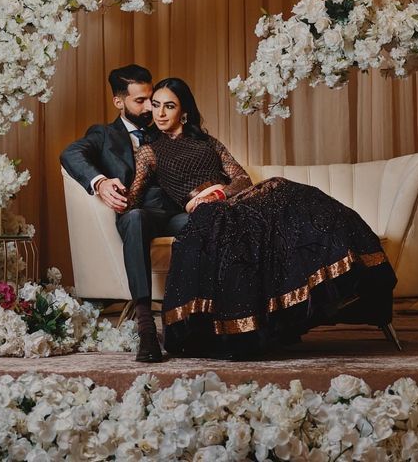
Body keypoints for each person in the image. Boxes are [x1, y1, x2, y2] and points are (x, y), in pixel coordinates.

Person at [121, 77, 397, 359]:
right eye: (156, 105)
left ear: (185, 112)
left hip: (233, 199)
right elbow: (135, 198)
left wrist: (219, 194)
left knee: (291, 194)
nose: (160, 113)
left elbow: (241, 177)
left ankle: (351, 270)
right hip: (207, 211)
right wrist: (107, 185)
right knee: (234, 230)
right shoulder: (149, 151)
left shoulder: (208, 143)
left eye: (169, 106)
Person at [60, 64, 188, 363]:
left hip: (176, 212)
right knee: (134, 218)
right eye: (140, 101)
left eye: (151, 98)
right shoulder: (104, 135)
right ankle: (146, 327)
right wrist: (100, 182)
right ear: (119, 101)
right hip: (140, 213)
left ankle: (198, 322)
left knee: (208, 221)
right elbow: (71, 154)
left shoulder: (167, 126)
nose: (150, 108)